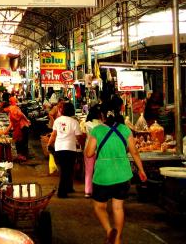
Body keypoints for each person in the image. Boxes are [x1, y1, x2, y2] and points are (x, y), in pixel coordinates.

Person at [85, 101, 147, 244]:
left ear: (102, 115)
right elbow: (135, 153)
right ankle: (117, 238)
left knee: (99, 207)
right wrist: (141, 170)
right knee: (118, 207)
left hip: (103, 176)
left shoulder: (97, 130)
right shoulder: (125, 130)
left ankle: (109, 230)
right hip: (123, 174)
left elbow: (88, 153)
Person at [48, 102, 83, 198]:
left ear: (62, 110)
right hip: (70, 149)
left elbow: (53, 134)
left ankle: (68, 187)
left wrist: (49, 144)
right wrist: (82, 145)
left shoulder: (57, 121)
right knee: (67, 170)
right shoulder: (74, 122)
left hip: (59, 148)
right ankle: (61, 192)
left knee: (65, 170)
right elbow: (79, 137)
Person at [83, 104, 102, 198]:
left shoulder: (86, 124)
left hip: (88, 148)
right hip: (100, 149)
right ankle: (99, 190)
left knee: (88, 170)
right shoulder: (102, 125)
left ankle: (87, 191)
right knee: (100, 170)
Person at [5, 96, 31, 161]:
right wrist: (6, 131)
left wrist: (27, 120)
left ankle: (23, 156)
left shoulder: (13, 108)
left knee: (22, 142)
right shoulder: (14, 108)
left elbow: (21, 114)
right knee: (19, 141)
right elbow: (12, 123)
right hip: (21, 127)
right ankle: (21, 156)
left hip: (23, 127)